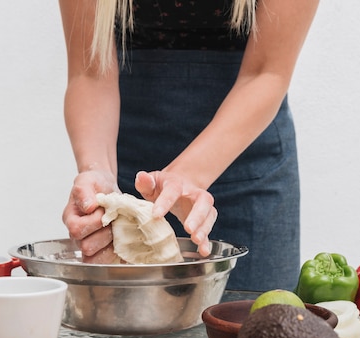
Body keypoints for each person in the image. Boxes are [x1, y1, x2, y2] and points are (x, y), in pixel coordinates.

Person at [58, 0, 319, 292]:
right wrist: (98, 171)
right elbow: (90, 72)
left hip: (247, 160)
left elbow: (266, 73)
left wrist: (188, 175)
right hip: (127, 153)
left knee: (258, 329)